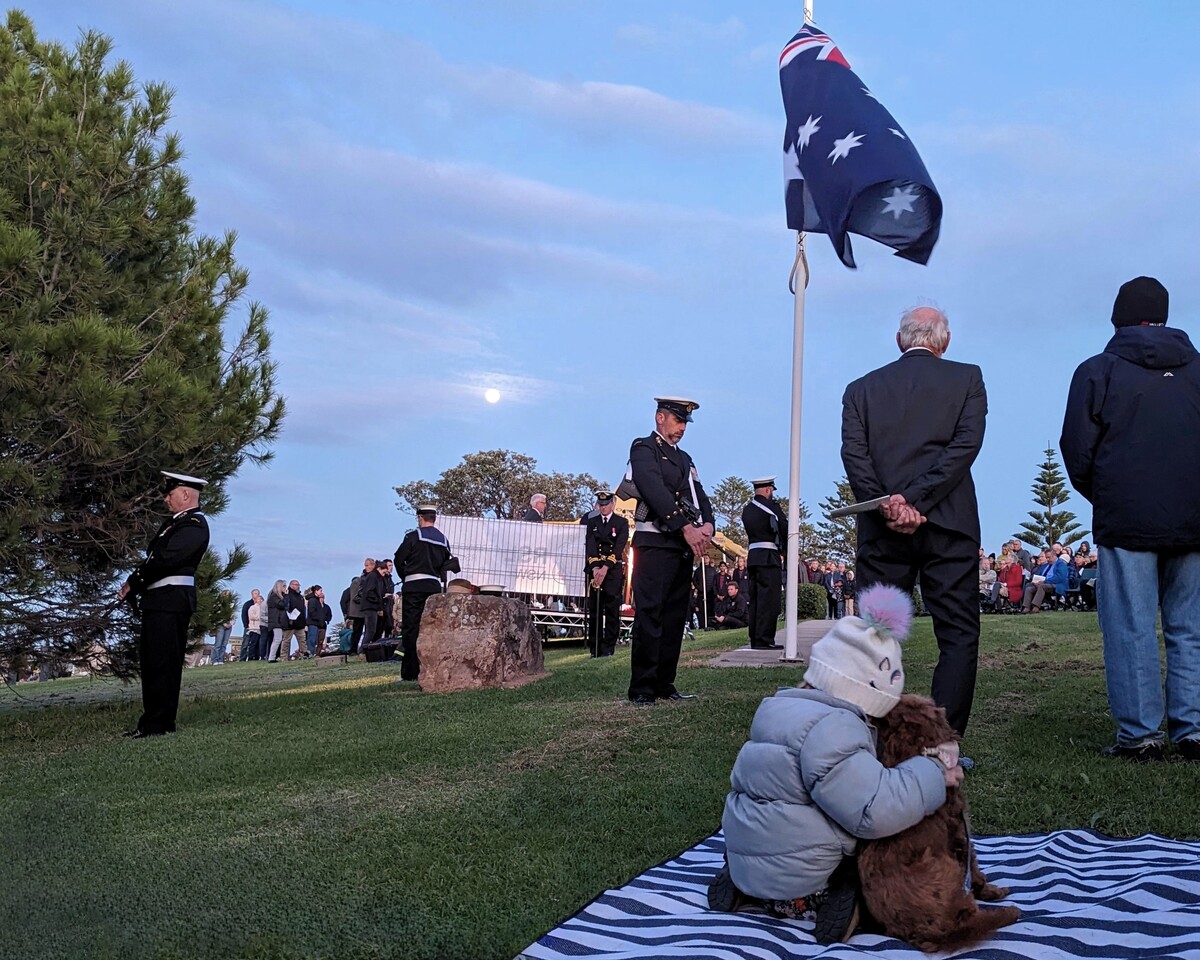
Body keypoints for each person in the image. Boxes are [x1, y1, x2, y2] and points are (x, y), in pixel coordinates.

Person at [708, 584, 960, 943]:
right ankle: (836, 899)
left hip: (746, 855)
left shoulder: (776, 709)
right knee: (863, 859)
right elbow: (874, 807)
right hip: (803, 878)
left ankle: (743, 882)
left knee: (778, 815)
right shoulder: (836, 729)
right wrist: (934, 772)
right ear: (867, 694)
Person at [1061, 275, 1200, 762]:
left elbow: (1076, 449)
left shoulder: (1097, 371)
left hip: (1126, 517)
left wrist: (1104, 495)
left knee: (1131, 628)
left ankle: (1141, 736)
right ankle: (1192, 730)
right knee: (1190, 628)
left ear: (1119, 315)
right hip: (1193, 519)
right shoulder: (1197, 369)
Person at [840, 305, 987, 736]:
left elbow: (855, 456)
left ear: (901, 340)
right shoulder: (968, 380)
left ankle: (871, 733)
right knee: (957, 634)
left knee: (876, 636)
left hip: (882, 530)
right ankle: (942, 741)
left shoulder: (861, 390)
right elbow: (964, 447)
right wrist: (917, 500)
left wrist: (889, 503)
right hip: (949, 525)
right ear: (944, 340)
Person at [624, 396, 714, 706]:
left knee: (676, 616)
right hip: (654, 543)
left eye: (685, 423)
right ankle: (642, 687)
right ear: (660, 417)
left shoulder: (685, 459)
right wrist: (685, 527)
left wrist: (709, 525)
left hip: (680, 548)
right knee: (651, 614)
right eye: (678, 421)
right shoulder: (644, 449)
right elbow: (654, 489)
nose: (682, 428)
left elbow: (699, 494)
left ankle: (665, 683)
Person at [118, 471, 211, 738]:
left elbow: (166, 560)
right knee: (152, 663)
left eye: (170, 494)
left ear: (185, 494)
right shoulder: (174, 524)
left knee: (164, 664)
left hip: (171, 602)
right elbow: (154, 559)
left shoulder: (194, 525)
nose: (165, 499)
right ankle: (151, 721)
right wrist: (135, 585)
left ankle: (160, 723)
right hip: (158, 600)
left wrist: (134, 581)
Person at [394, 504, 460, 681]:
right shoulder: (443, 540)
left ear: (420, 518)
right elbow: (445, 565)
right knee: (431, 629)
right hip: (433, 587)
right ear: (435, 518)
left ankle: (410, 673)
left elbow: (399, 559)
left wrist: (406, 576)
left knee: (411, 628)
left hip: (414, 586)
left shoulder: (413, 536)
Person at [581, 491, 629, 658]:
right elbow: (590, 545)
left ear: (612, 504)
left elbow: (619, 546)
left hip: (612, 570)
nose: (603, 507)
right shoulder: (592, 522)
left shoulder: (621, 523)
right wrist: (595, 567)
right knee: (595, 609)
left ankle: (608, 647)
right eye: (600, 505)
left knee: (611, 609)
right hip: (595, 569)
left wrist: (605, 567)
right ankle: (595, 648)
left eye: (606, 504)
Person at [741, 476, 785, 650]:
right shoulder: (772, 508)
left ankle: (755, 638)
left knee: (756, 600)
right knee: (769, 601)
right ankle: (765, 639)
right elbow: (784, 528)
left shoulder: (747, 510)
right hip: (769, 557)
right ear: (768, 490)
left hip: (753, 557)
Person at [280, 579, 309, 659]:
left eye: (299, 585)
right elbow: (285, 607)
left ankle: (304, 655)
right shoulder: (287, 595)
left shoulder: (300, 597)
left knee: (302, 640)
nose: (298, 586)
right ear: (292, 585)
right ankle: (283, 657)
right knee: (286, 641)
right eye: (297, 585)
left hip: (300, 623)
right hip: (290, 623)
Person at [265, 579, 289, 661]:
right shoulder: (274, 597)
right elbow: (282, 605)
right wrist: (286, 596)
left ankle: (273, 657)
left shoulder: (276, 597)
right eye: (284, 586)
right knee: (277, 639)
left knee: (277, 639)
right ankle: (271, 657)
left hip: (278, 620)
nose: (285, 588)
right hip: (276, 621)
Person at [210, 590, 234, 664]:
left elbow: (234, 615)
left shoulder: (232, 604)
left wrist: (231, 623)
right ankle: (215, 659)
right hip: (220, 625)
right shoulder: (218, 604)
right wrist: (223, 623)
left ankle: (221, 659)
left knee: (224, 644)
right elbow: (216, 615)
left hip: (229, 625)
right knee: (218, 643)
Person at [306, 585, 329, 655]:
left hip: (317, 623)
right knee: (312, 639)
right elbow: (312, 611)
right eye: (320, 591)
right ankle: (310, 652)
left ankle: (313, 653)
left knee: (316, 640)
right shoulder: (313, 600)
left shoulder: (316, 600)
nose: (321, 592)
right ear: (316, 591)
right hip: (313, 623)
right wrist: (319, 618)